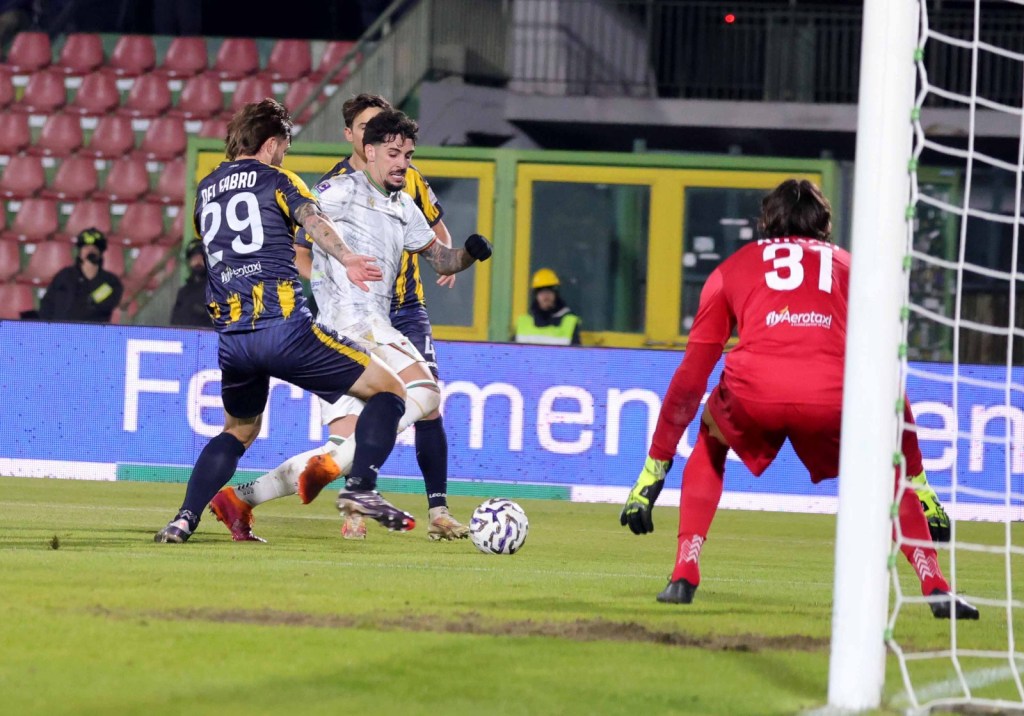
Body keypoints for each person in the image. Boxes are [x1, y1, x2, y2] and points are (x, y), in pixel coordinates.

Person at [619, 178, 976, 620]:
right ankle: (934, 583)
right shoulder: (853, 268)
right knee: (889, 471)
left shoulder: (731, 269)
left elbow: (691, 377)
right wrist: (920, 483)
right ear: (824, 225)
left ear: (765, 222)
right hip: (832, 395)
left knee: (711, 438)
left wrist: (655, 467)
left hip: (755, 392)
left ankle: (684, 571)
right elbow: (888, 377)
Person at [210, 95, 480, 543]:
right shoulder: (336, 191)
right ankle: (360, 491)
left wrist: (470, 253)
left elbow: (442, 259)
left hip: (364, 324)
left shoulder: (404, 203)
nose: (403, 163)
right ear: (366, 148)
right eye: (394, 154)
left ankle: (240, 499)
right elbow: (299, 231)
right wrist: (338, 267)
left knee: (342, 450)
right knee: (427, 396)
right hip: (354, 325)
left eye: (408, 155)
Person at [154, 98, 414, 544]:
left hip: (234, 340)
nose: (285, 154)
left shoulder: (206, 189)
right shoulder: (277, 179)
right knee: (391, 392)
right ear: (272, 143)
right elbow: (312, 220)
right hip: (284, 328)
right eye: (285, 146)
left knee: (238, 430)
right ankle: (361, 489)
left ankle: (183, 519)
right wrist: (347, 256)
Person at [39, 227, 124, 324]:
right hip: (59, 333)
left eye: (94, 248)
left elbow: (101, 306)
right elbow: (47, 305)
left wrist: (92, 279)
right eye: (86, 247)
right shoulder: (64, 276)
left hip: (91, 335)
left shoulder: (110, 282)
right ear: (79, 252)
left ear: (100, 254)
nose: (90, 251)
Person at [513, 267, 581, 345]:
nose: (545, 296)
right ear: (535, 295)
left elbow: (576, 355)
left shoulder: (569, 323)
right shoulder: (523, 323)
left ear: (556, 294)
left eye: (549, 291)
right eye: (541, 292)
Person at [169, 238, 210, 328]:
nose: (198, 262)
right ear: (189, 262)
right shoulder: (183, 292)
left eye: (201, 258)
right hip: (182, 339)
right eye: (194, 258)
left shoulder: (215, 289)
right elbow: (174, 321)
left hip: (206, 339)